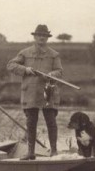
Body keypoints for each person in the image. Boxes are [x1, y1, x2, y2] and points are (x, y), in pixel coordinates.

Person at [7, 24, 63, 159]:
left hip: (48, 93)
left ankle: (54, 151)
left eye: (44, 36)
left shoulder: (54, 54)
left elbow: (60, 71)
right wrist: (25, 70)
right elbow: (10, 65)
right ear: (35, 37)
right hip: (30, 92)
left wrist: (51, 74)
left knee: (51, 121)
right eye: (39, 35)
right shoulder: (25, 53)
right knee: (31, 122)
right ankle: (30, 152)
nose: (42, 38)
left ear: (47, 38)